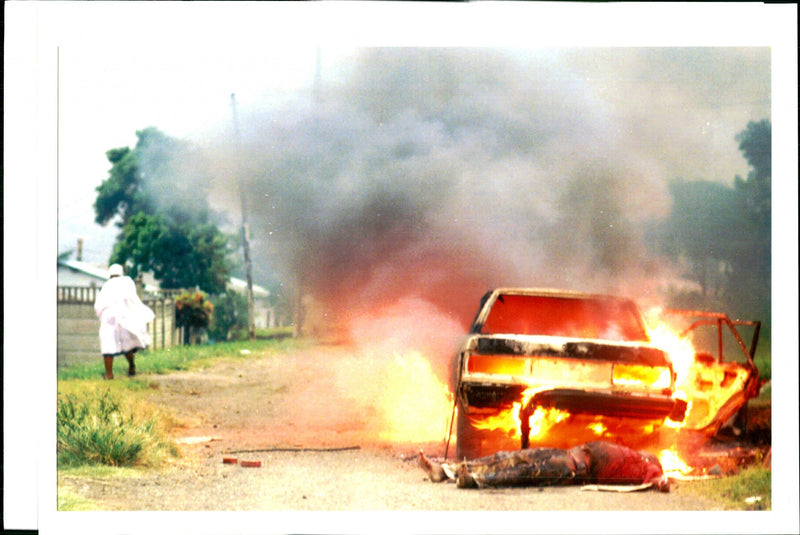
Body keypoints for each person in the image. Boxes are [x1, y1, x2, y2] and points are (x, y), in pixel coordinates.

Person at [418, 441, 670, 492]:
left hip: (573, 466)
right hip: (565, 453)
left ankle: (473, 480)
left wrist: (661, 482)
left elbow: (658, 480)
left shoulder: (647, 467)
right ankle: (445, 471)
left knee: (522, 473)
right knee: (509, 456)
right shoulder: (632, 453)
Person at [94, 264, 155, 379]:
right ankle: (132, 366)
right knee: (127, 346)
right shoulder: (128, 282)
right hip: (124, 318)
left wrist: (103, 316)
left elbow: (98, 306)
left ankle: (109, 374)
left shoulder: (106, 286)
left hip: (109, 319)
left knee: (108, 346)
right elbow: (133, 299)